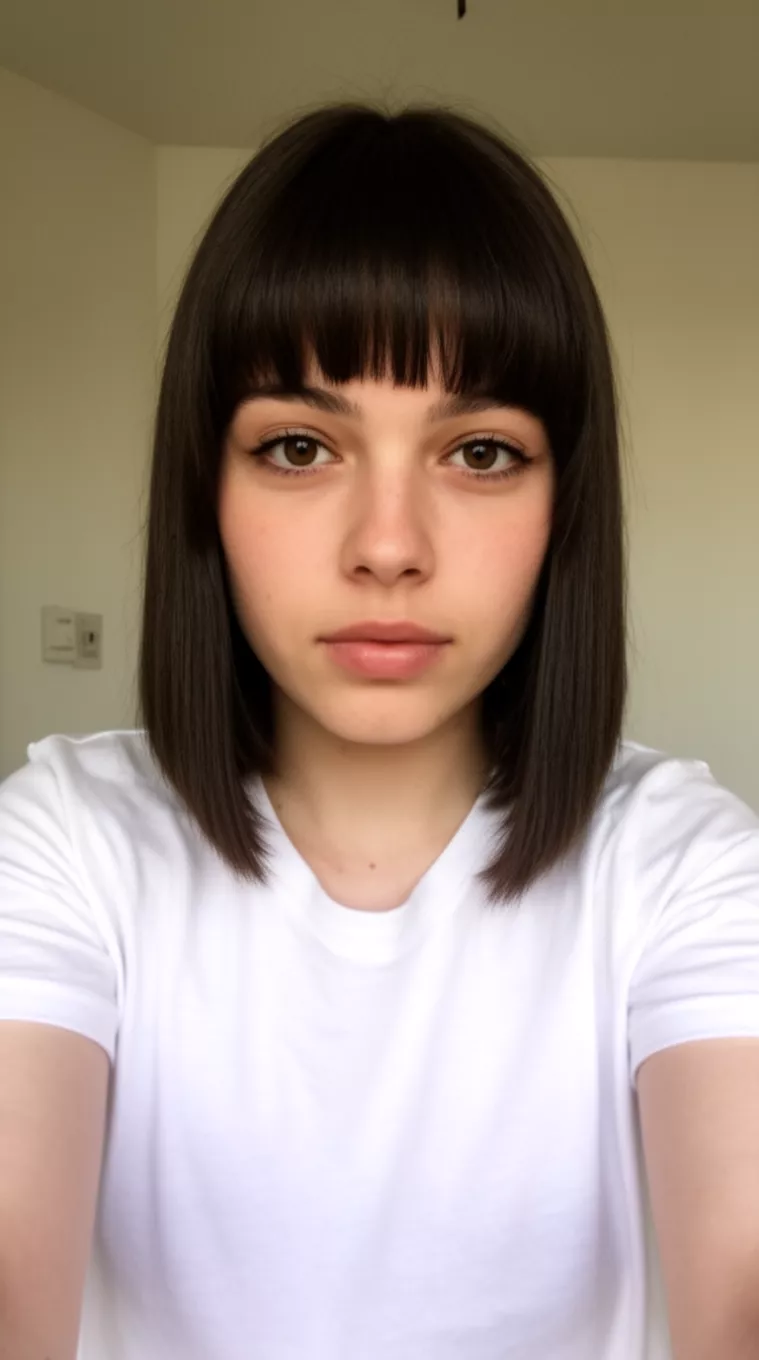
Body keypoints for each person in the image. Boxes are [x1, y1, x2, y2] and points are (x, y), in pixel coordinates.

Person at [1, 101, 758, 1360]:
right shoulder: (66, 843)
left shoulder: (680, 866)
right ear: (205, 488)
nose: (389, 546)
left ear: (566, 507)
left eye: (482, 452)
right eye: (300, 445)